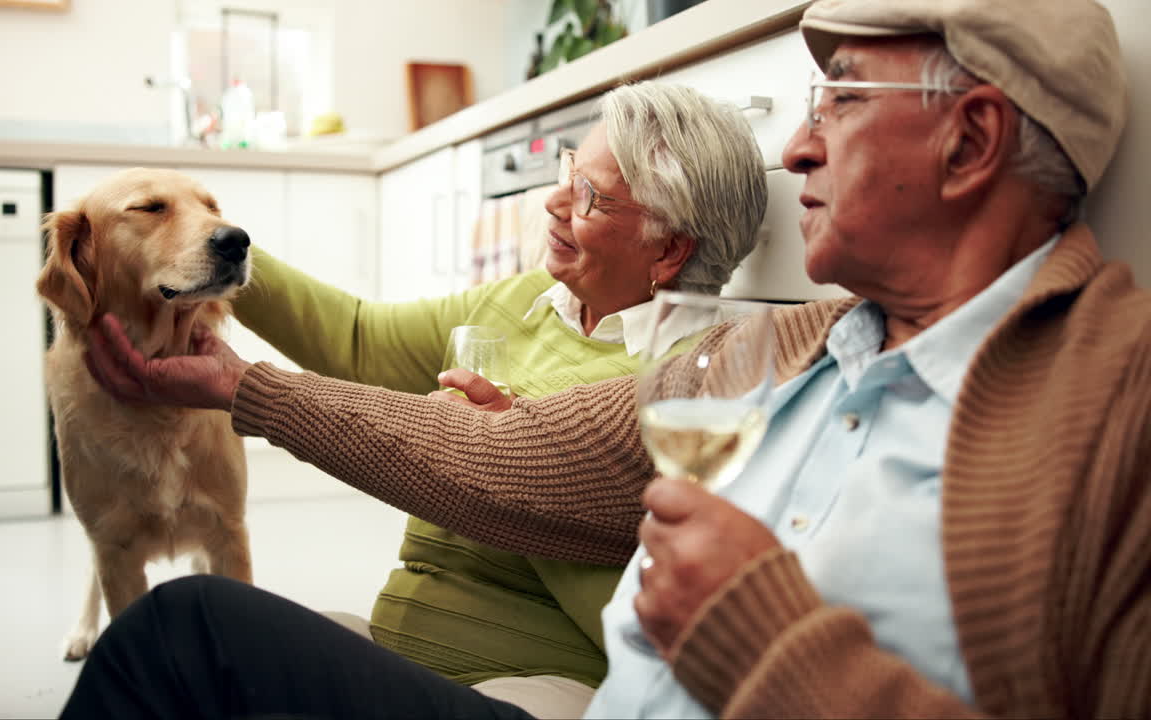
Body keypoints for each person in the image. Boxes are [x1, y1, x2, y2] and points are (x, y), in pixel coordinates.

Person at [65, 0, 1151, 717]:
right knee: (186, 637)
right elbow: (509, 459)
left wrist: (765, 641)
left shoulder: (1113, 405)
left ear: (968, 140)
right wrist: (235, 386)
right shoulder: (774, 349)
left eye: (844, 98)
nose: (796, 146)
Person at [75, 80, 768, 719]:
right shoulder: (528, 301)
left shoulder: (685, 383)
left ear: (669, 251)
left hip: (538, 686)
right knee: (171, 657)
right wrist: (206, 254)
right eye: (567, 171)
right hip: (399, 653)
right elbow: (356, 336)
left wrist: (504, 465)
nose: (554, 201)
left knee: (190, 626)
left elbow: (648, 620)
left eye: (590, 195)